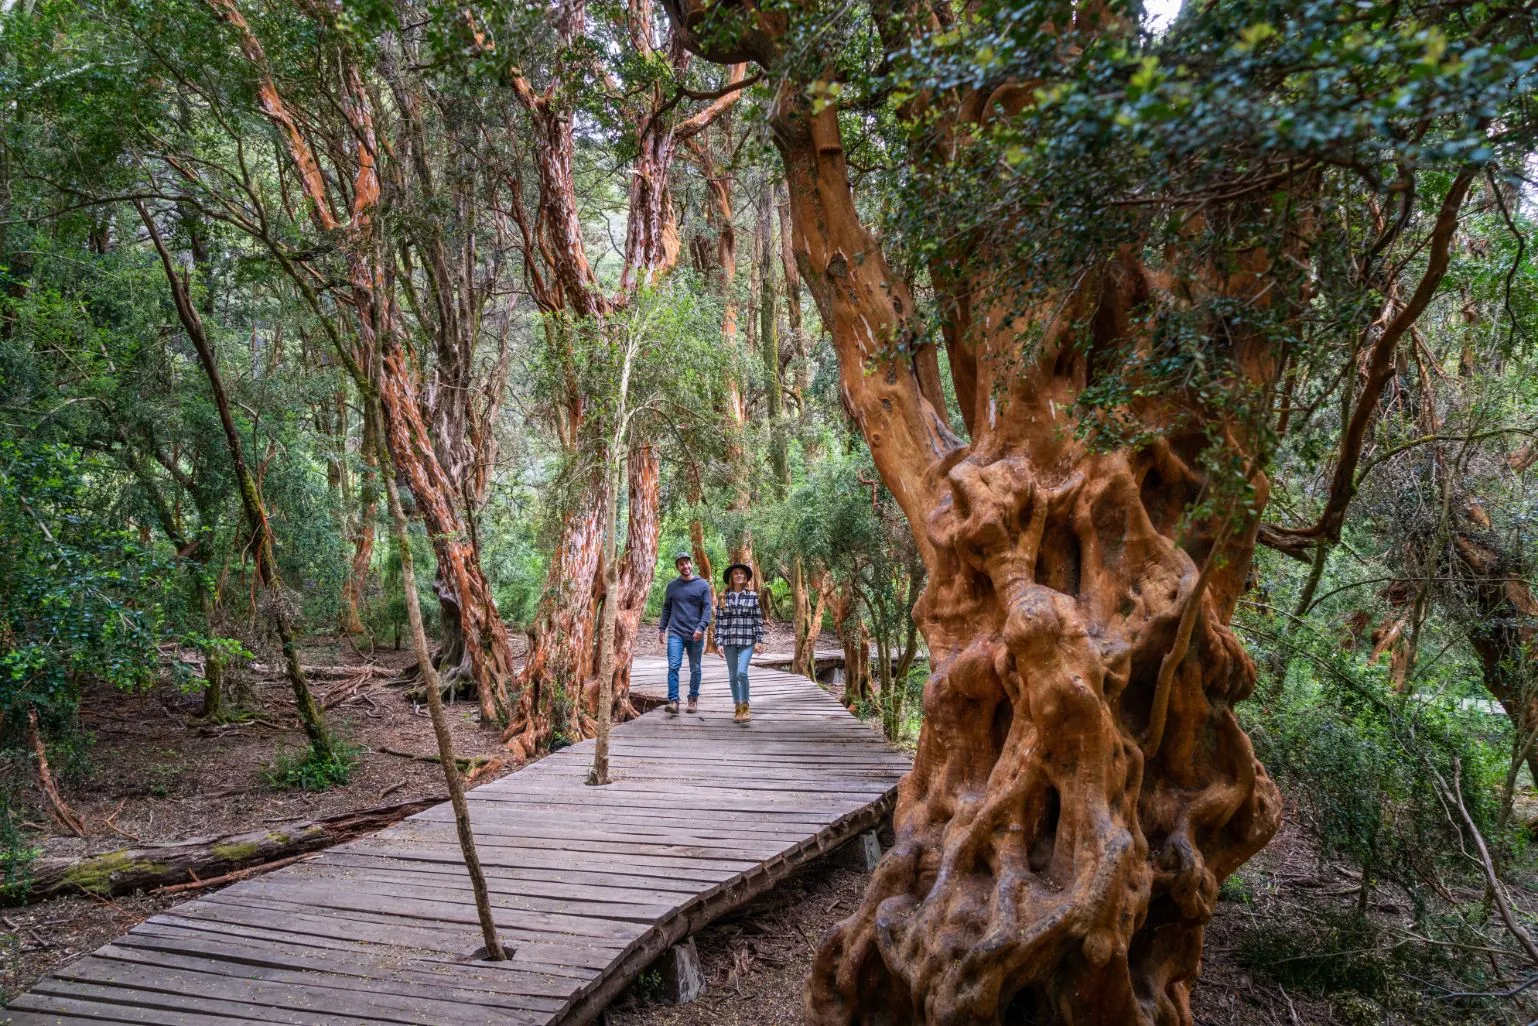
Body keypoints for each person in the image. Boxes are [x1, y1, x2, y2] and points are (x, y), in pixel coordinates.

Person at [658, 551, 713, 714]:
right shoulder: (672, 586)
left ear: (691, 564)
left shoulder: (702, 585)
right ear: (677, 567)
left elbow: (707, 609)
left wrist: (701, 627)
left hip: (695, 633)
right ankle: (673, 700)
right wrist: (662, 629)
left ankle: (693, 699)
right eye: (681, 564)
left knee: (695, 667)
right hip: (676, 632)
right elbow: (667, 608)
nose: (685, 566)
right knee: (673, 666)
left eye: (687, 562)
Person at [716, 562, 764, 723]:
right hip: (729, 640)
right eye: (736, 573)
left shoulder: (752, 596)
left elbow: (757, 619)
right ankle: (737, 707)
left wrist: (760, 640)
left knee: (741, 673)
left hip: (747, 640)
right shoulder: (723, 596)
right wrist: (718, 642)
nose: (739, 575)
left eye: (742, 574)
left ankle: (745, 707)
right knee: (732, 676)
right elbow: (719, 621)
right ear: (731, 577)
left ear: (745, 578)